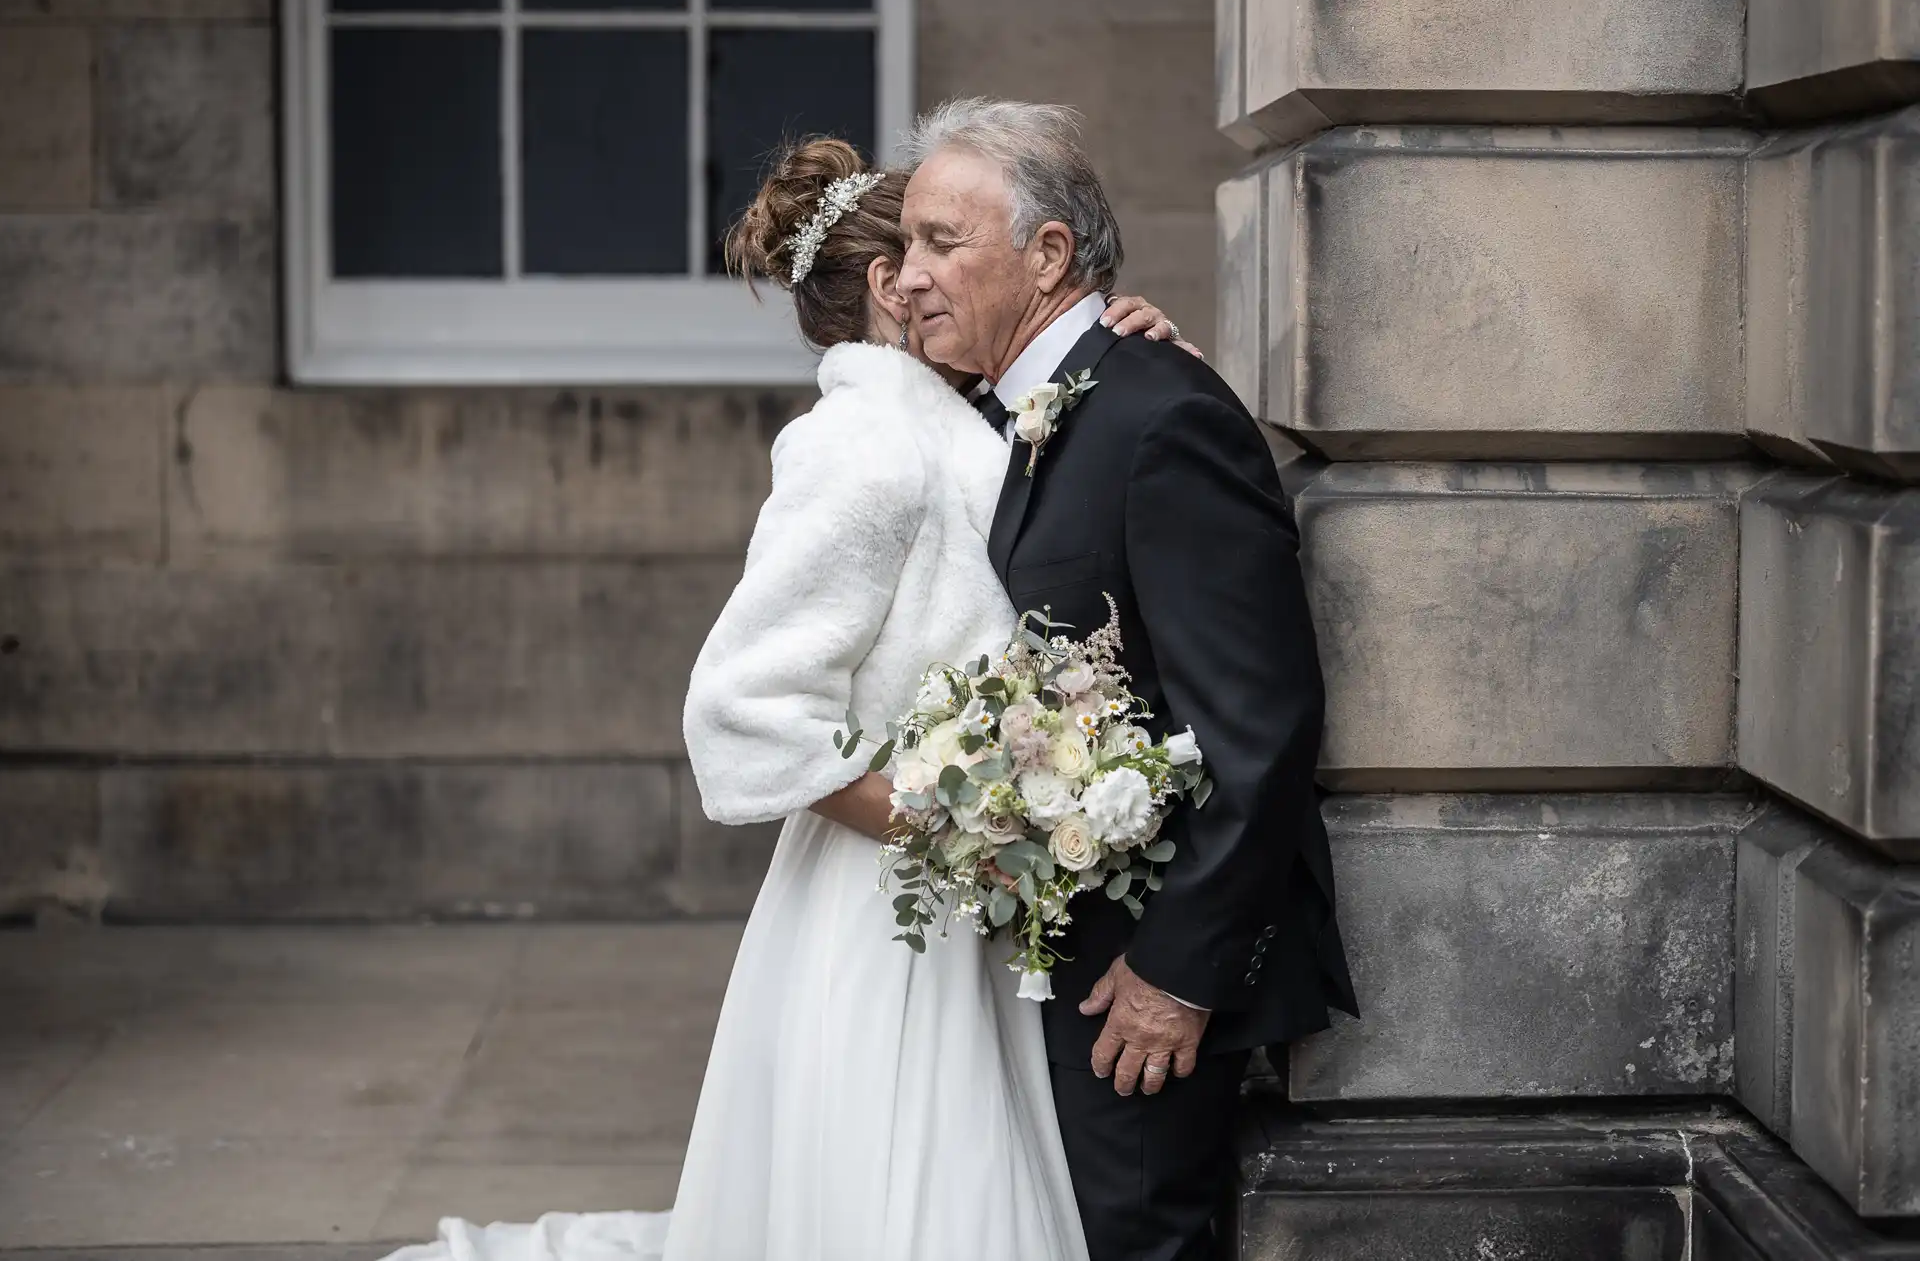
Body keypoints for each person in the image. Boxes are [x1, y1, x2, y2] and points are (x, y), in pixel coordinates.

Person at [378, 138, 1193, 1261]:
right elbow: (742, 710)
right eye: (925, 246)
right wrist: (964, 827)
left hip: (981, 914)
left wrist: (1132, 347)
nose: (935, 270)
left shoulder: (973, 422)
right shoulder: (859, 442)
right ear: (884, 285)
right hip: (894, 910)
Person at [897, 98, 1358, 1261]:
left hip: (1143, 978)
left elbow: (1257, 726)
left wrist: (1177, 975)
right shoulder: (1024, 406)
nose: (906, 277)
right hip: (1059, 949)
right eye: (902, 247)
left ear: (1048, 255)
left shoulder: (1162, 419)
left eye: (938, 243)